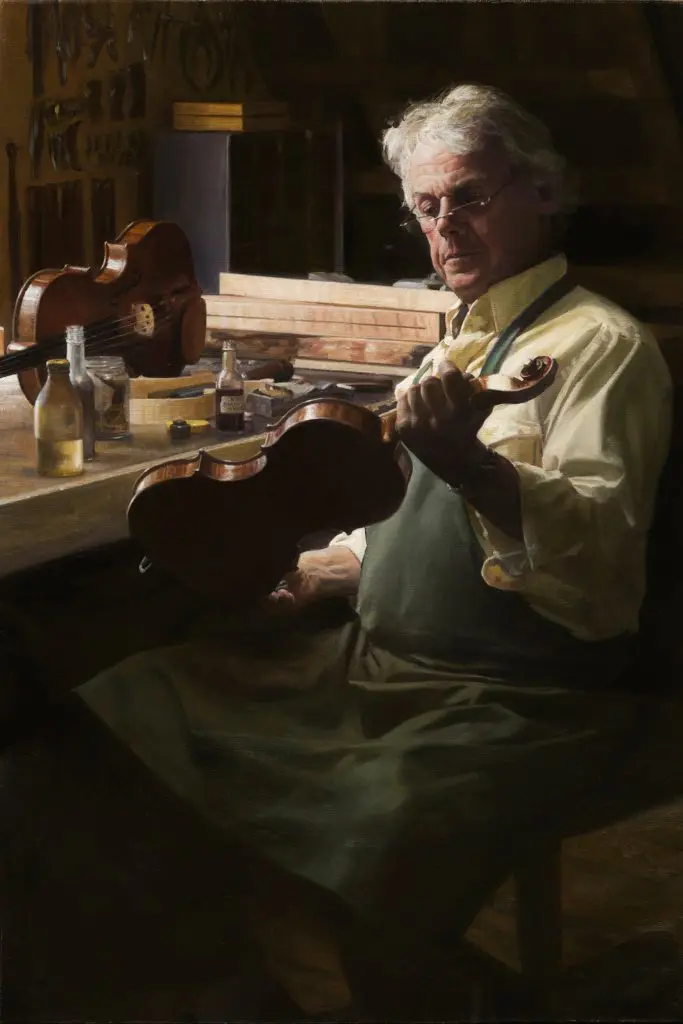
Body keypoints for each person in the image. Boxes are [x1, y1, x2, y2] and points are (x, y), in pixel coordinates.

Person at [28, 84, 676, 1019]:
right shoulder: (451, 346)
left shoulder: (604, 349)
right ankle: (234, 986)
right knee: (129, 705)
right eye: (426, 206)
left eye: (472, 198)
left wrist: (472, 468)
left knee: (382, 838)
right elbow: (403, 520)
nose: (444, 228)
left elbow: (600, 578)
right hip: (375, 666)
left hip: (520, 693)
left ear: (542, 193)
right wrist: (333, 566)